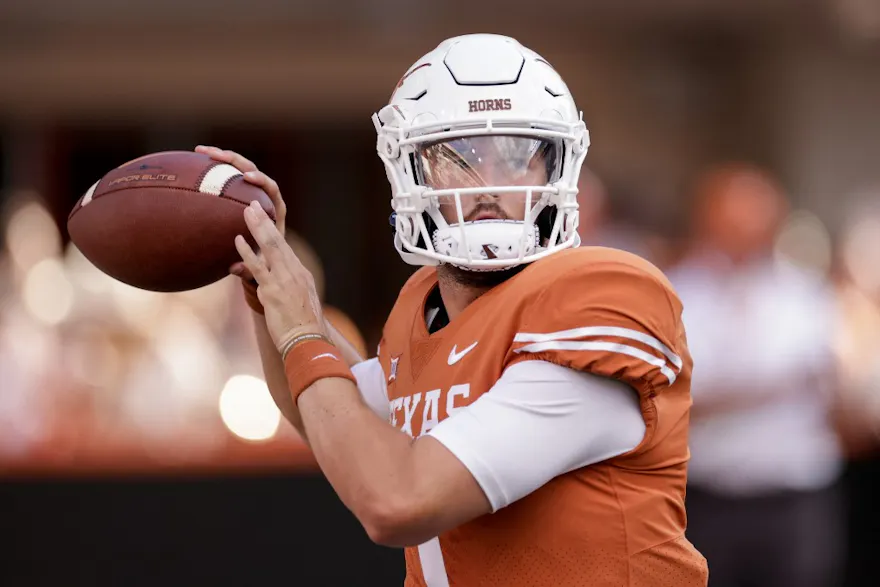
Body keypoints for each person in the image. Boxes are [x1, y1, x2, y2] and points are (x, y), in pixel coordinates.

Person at [200, 34, 707, 586]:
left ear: (557, 169)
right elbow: (332, 408)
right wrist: (269, 288)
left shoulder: (600, 296)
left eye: (516, 157)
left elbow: (397, 499)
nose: (486, 185)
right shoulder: (425, 303)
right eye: (455, 159)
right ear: (406, 171)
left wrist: (301, 328)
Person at [667, 163, 845, 587]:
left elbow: (827, 386)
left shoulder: (807, 294)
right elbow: (672, 392)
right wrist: (771, 386)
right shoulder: (673, 293)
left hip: (793, 498)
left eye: (756, 215)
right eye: (733, 216)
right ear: (706, 218)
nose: (744, 229)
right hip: (706, 501)